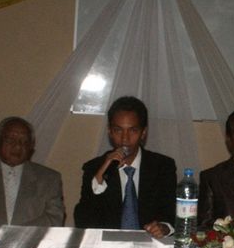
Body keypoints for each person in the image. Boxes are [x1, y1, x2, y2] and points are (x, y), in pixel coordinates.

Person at [73, 96, 176, 237]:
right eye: (118, 130)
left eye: (132, 131)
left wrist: (164, 227)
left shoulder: (163, 167)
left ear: (143, 133)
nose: (125, 138)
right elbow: (83, 219)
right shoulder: (95, 167)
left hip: (150, 247)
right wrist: (101, 174)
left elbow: (172, 213)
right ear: (110, 131)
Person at [0, 116, 64, 227]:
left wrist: (17, 234)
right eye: (10, 140)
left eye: (24, 141)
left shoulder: (49, 178)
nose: (18, 146)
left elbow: (55, 218)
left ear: (31, 146)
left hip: (32, 241)